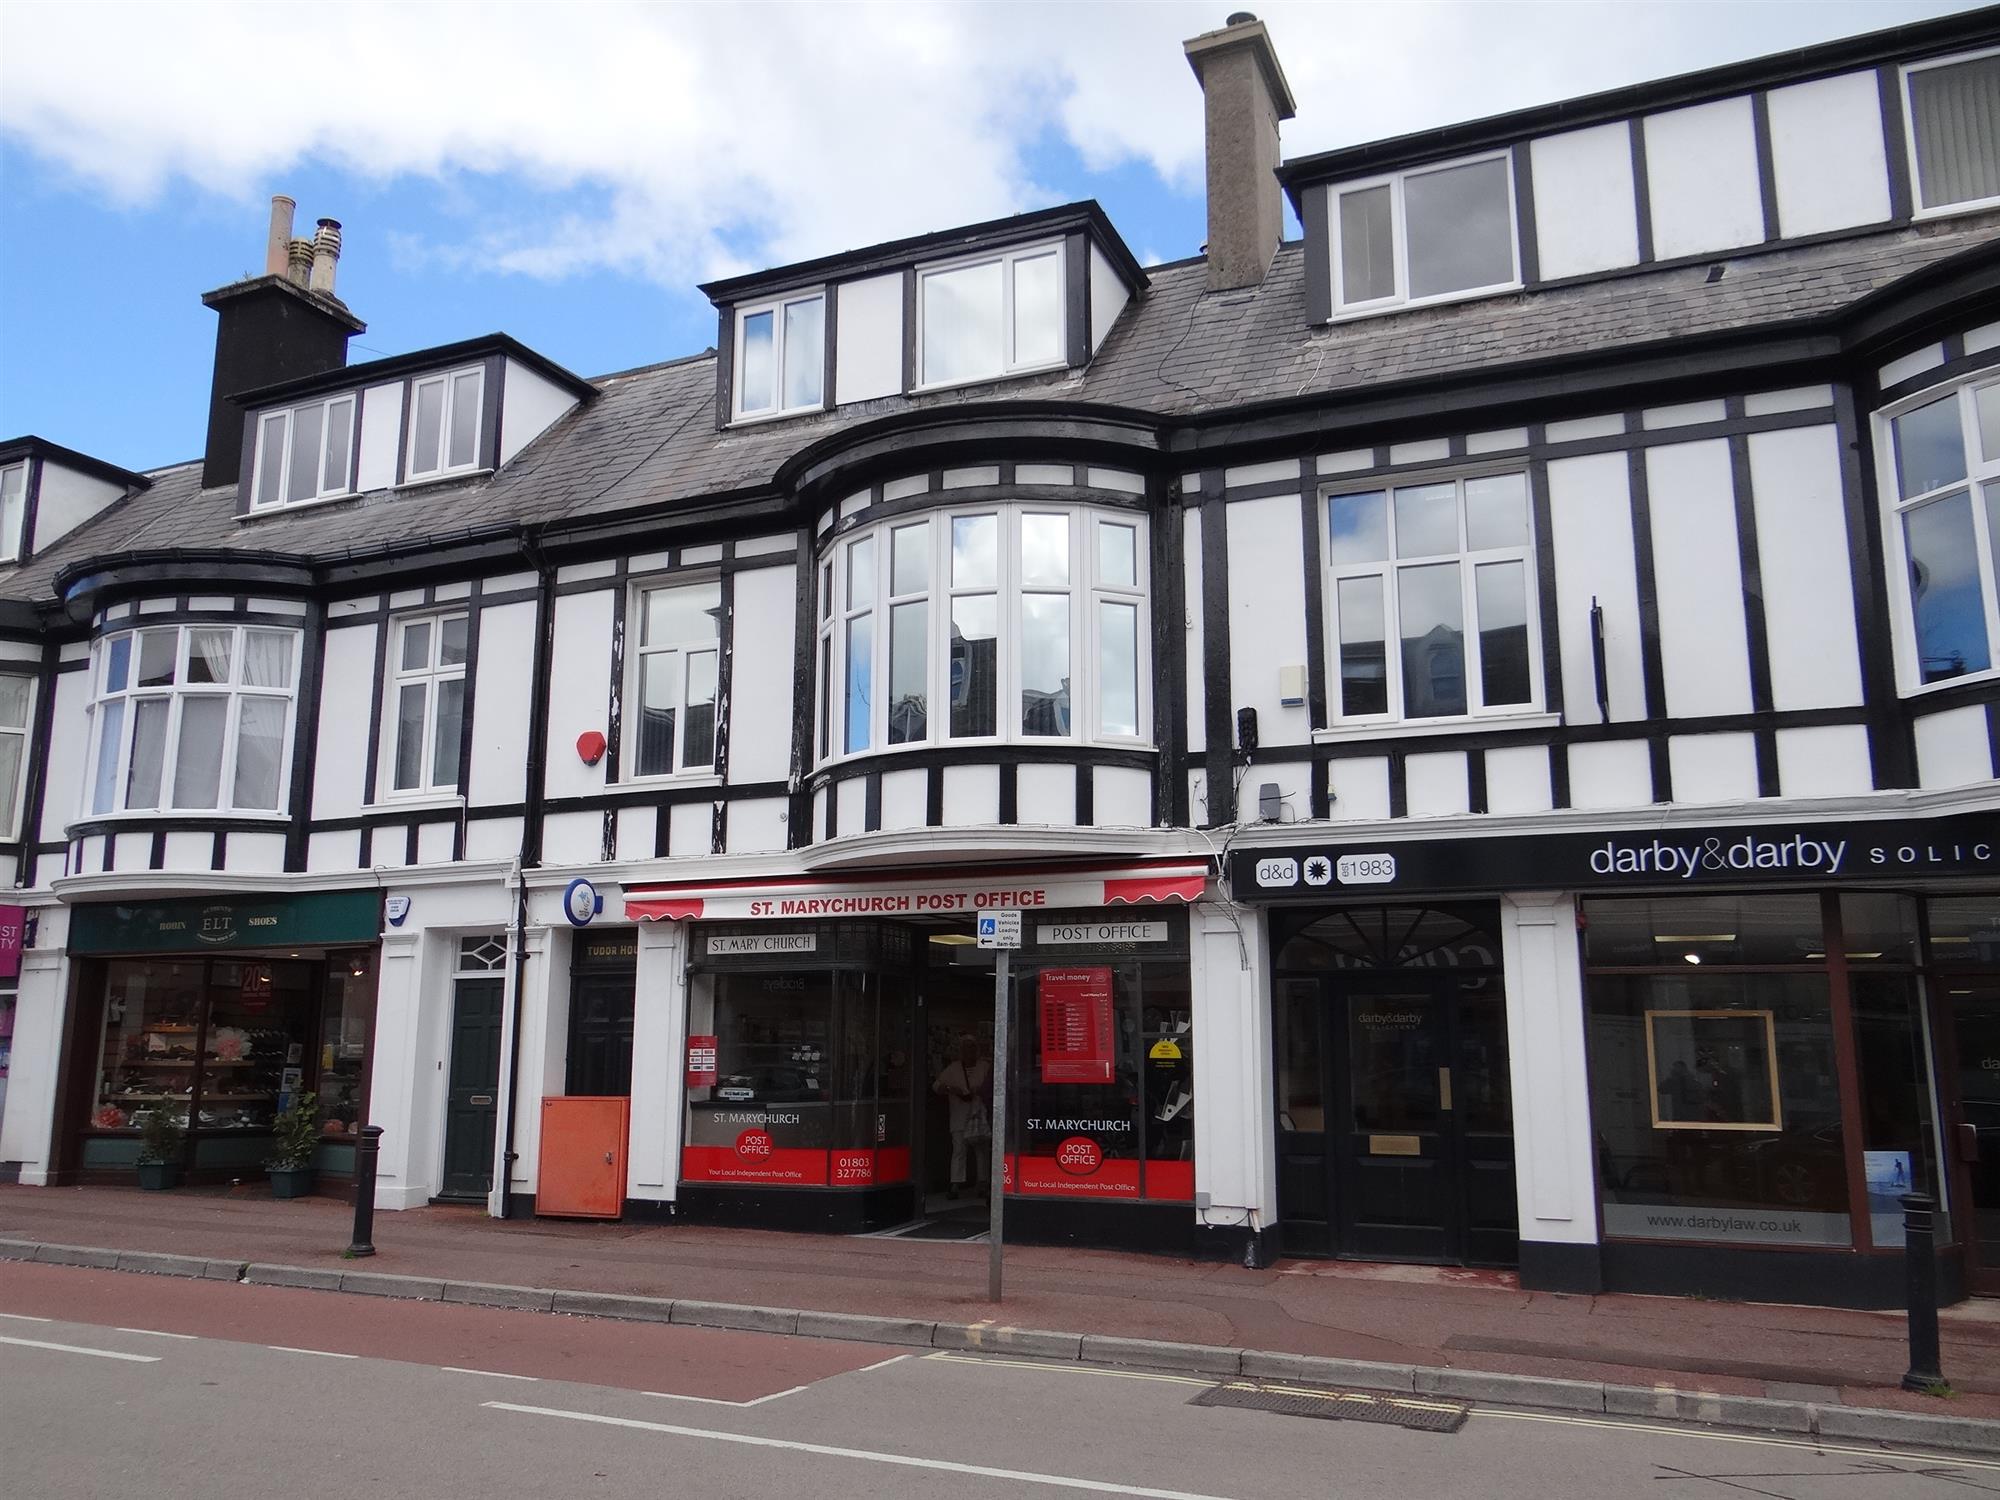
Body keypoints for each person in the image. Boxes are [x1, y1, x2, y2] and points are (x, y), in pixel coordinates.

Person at [932, 1034, 991, 1200]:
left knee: (981, 1150)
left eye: (972, 1048)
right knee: (959, 1149)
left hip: (979, 1114)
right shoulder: (953, 1068)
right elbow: (937, 1086)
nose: (969, 1051)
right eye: (966, 1048)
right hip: (959, 1114)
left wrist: (979, 1091)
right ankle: (955, 1185)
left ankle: (983, 1183)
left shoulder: (984, 1066)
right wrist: (951, 1089)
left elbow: (991, 1086)